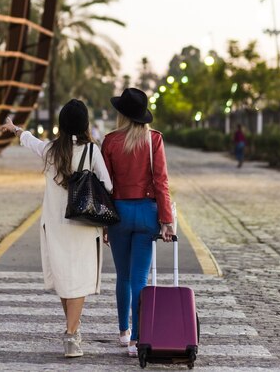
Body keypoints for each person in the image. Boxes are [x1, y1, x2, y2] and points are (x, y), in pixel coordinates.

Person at [1, 99, 112, 358]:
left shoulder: (51, 150)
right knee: (79, 279)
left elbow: (30, 140)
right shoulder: (92, 152)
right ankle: (72, 336)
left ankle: (73, 329)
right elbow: (107, 187)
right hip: (84, 224)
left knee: (65, 278)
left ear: (61, 124)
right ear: (85, 124)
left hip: (54, 224)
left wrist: (15, 128)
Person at [101, 87, 175, 358]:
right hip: (146, 214)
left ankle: (123, 331)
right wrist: (166, 219)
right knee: (139, 279)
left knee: (123, 276)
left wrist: (104, 224)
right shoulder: (153, 139)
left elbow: (105, 186)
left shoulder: (109, 141)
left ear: (121, 114)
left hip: (118, 213)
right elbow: (161, 181)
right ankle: (137, 339)